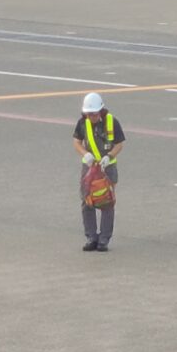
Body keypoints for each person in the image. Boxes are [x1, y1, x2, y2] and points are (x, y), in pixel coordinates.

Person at [73, 92, 125, 252]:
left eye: (94, 114)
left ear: (100, 111)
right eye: (88, 114)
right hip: (89, 167)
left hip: (107, 167)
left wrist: (109, 157)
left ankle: (104, 239)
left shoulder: (112, 121)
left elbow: (119, 144)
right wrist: (85, 154)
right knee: (86, 201)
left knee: (106, 201)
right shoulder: (82, 122)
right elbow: (76, 141)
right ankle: (91, 237)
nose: (91, 117)